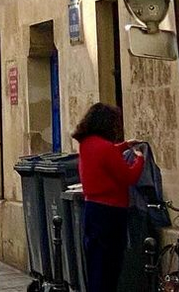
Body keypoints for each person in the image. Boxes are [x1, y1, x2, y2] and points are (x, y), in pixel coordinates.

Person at [73, 103, 145, 291]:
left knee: (96, 263)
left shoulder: (86, 144)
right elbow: (129, 177)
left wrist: (124, 146)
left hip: (92, 209)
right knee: (110, 266)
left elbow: (105, 157)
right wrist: (139, 159)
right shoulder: (105, 148)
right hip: (111, 212)